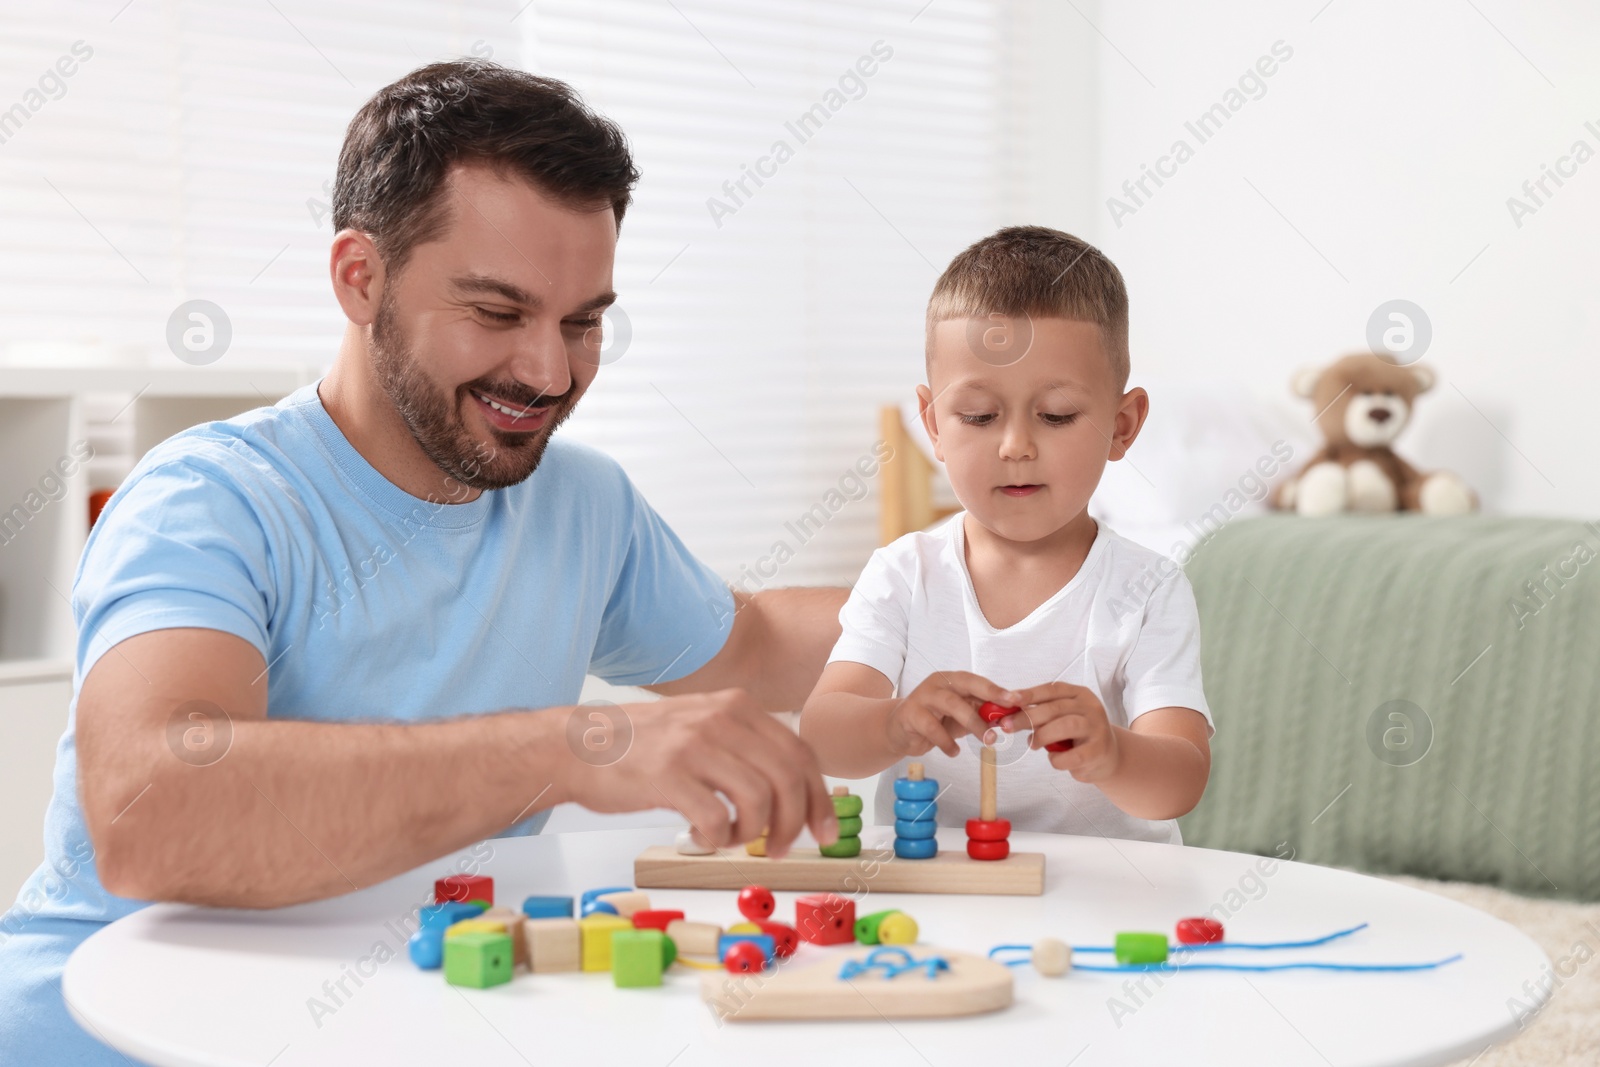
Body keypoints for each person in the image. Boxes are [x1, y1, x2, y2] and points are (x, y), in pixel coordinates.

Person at [0, 61, 842, 1063]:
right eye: (496, 311)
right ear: (361, 277)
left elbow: (752, 641)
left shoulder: (579, 502)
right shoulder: (208, 501)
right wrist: (572, 749)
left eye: (583, 321)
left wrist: (1011, 574)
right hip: (113, 1030)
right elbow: (155, 814)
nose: (549, 370)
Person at [801, 226, 1212, 843]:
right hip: (943, 895)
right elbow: (823, 733)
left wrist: (1113, 755)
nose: (1016, 445)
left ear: (1122, 426)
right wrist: (895, 724)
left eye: (1056, 416)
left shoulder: (1148, 589)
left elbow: (1180, 781)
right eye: (979, 417)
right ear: (935, 424)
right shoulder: (903, 572)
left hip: (1107, 901)